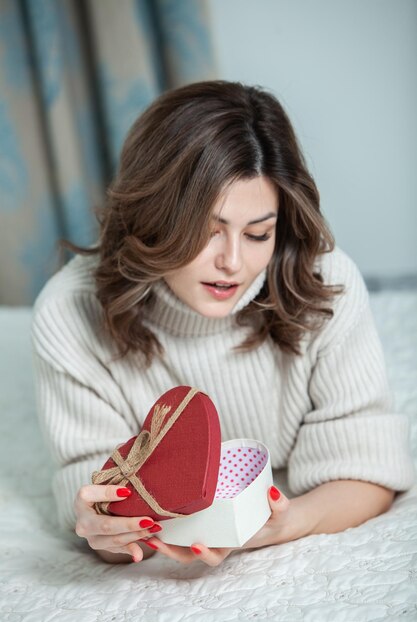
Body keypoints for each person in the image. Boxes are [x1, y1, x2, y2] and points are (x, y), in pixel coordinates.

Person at [31, 80, 415, 567]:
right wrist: (106, 530)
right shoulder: (69, 313)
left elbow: (372, 466)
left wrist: (286, 522)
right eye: (206, 232)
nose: (232, 262)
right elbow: (95, 499)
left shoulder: (325, 283)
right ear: (152, 215)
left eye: (258, 234)